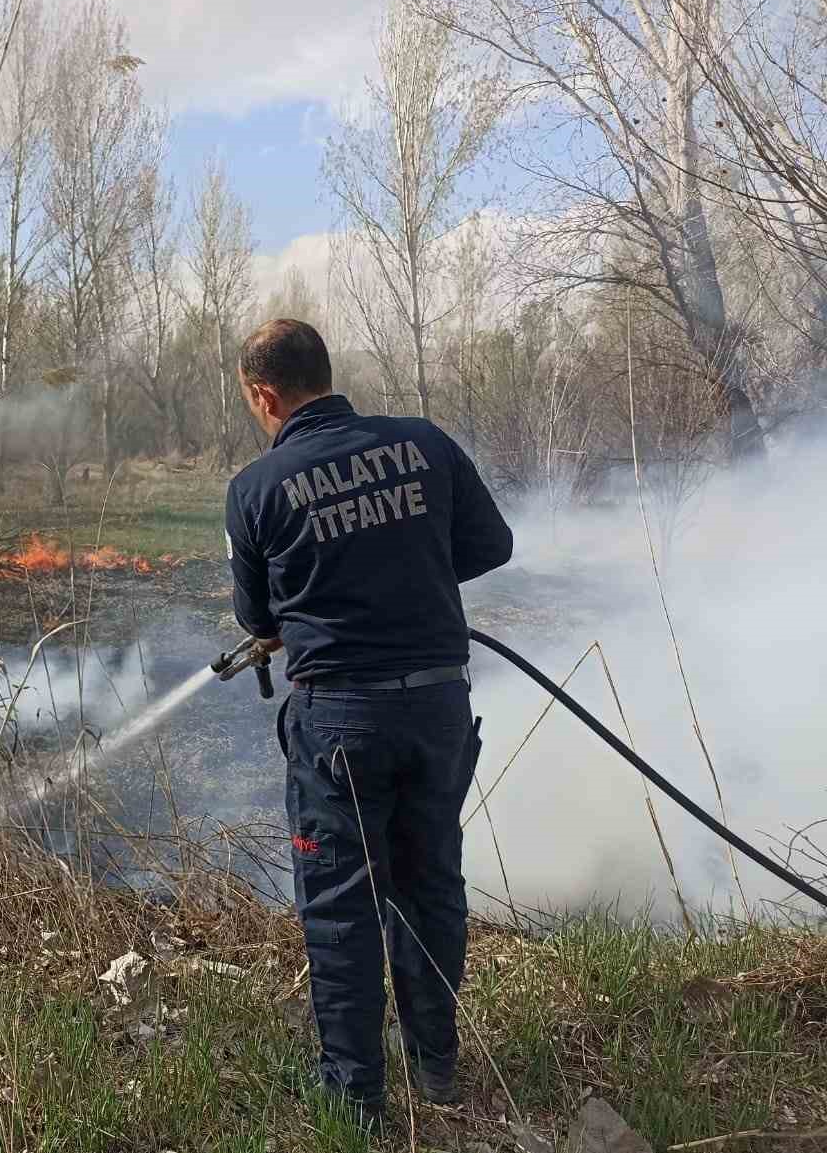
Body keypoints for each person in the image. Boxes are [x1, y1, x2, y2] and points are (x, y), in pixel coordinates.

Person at [224, 318, 513, 1130]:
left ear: (264, 395)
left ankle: (354, 1093)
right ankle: (438, 1064)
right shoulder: (423, 442)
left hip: (339, 723)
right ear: (329, 371)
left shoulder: (257, 487)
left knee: (341, 904)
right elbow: (491, 543)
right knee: (430, 883)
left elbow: (258, 614)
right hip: (436, 708)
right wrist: (404, 568)